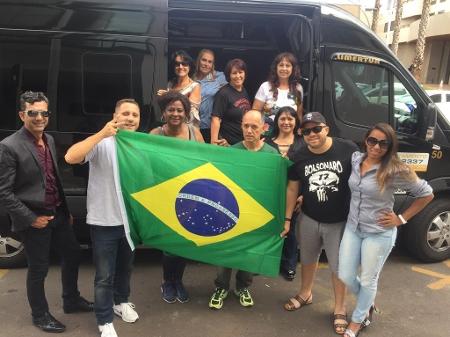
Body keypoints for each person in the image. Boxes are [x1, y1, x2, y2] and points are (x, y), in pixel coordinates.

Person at [0, 91, 93, 333]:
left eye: (44, 112)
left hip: (59, 213)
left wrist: (65, 209)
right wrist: (31, 219)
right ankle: (40, 315)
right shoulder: (9, 146)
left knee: (73, 254)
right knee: (38, 269)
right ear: (22, 115)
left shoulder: (49, 139)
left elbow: (53, 178)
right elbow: (4, 192)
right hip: (35, 219)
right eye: (33, 113)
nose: (40, 117)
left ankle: (70, 300)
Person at [338, 123, 433, 337]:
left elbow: (427, 194)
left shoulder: (396, 169)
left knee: (369, 279)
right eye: (372, 140)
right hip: (353, 227)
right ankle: (368, 303)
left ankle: (357, 320)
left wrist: (401, 218)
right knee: (344, 274)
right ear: (366, 140)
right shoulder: (356, 160)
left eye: (383, 143)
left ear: (390, 146)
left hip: (379, 233)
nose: (376, 147)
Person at [64, 99, 141, 337]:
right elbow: (70, 157)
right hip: (104, 221)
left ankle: (120, 302)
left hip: (130, 222)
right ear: (115, 115)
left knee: (125, 269)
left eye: (135, 115)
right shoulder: (102, 142)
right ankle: (104, 318)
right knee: (104, 275)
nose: (130, 118)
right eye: (125, 113)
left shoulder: (141, 145)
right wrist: (101, 133)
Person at [283, 112, 358, 335]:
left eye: (316, 129)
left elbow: (363, 179)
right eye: (306, 131)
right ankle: (305, 293)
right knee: (307, 258)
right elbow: (292, 187)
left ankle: (340, 308)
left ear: (326, 129)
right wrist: (288, 219)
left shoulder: (348, 149)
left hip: (339, 221)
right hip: (309, 217)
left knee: (339, 266)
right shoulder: (298, 153)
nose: (312, 134)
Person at [209, 109, 279, 310]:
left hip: (257, 214)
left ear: (264, 128)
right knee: (226, 251)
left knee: (251, 253)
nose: (249, 130)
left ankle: (242, 286)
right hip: (230, 212)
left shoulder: (272, 155)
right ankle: (221, 287)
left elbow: (276, 187)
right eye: (246, 126)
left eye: (254, 127)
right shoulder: (233, 152)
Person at [150, 91, 204, 303]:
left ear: (186, 112)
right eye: (171, 109)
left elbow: (205, 161)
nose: (175, 113)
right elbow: (146, 162)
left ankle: (178, 281)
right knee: (168, 245)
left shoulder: (195, 133)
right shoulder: (155, 134)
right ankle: (167, 281)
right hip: (165, 195)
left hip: (190, 196)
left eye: (179, 110)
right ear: (164, 112)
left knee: (183, 242)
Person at [265, 106, 303, 281]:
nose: (286, 122)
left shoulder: (303, 143)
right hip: (271, 193)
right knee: (270, 228)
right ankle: (268, 262)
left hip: (295, 194)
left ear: (296, 122)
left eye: (290, 119)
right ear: (276, 121)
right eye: (282, 119)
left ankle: (289, 265)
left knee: (291, 230)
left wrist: (304, 195)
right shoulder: (267, 142)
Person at [252, 52, 303, 135]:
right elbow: (255, 113)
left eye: (288, 65)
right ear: (276, 67)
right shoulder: (265, 86)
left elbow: (299, 115)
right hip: (267, 136)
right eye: (281, 65)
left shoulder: (298, 88)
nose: (284, 68)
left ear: (293, 69)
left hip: (290, 136)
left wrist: (299, 132)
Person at [210, 58, 251, 146]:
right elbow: (215, 119)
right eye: (234, 73)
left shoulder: (244, 90)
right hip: (228, 144)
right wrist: (213, 144)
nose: (238, 76)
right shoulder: (223, 93)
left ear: (245, 73)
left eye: (240, 72)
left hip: (242, 143)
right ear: (229, 75)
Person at [157, 50, 201, 126]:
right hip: (171, 127)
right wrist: (162, 98)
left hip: (187, 130)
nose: (180, 67)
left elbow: (190, 113)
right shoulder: (170, 84)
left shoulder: (195, 86)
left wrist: (169, 95)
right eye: (177, 64)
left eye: (184, 64)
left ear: (189, 66)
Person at [193, 49, 227, 143]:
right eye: (204, 60)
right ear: (198, 61)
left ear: (213, 64)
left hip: (211, 127)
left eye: (210, 62)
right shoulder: (191, 78)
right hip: (193, 126)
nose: (206, 64)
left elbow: (228, 95)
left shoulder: (219, 77)